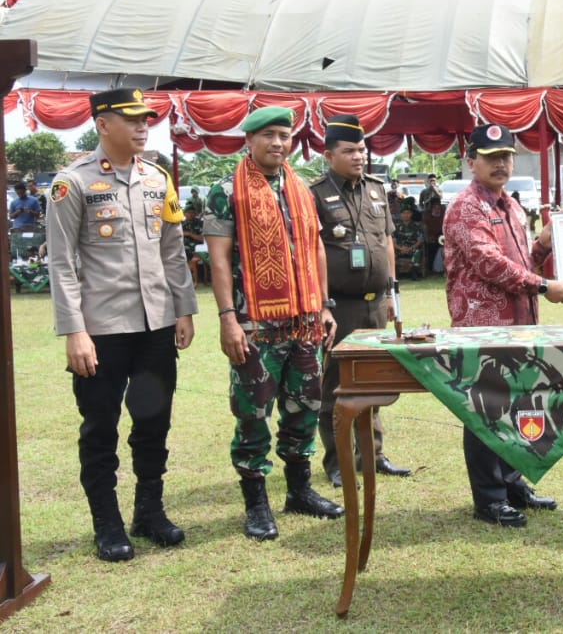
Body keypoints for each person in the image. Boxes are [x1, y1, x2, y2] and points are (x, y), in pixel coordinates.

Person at [47, 88, 197, 562]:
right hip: (102, 330)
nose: (141, 127)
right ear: (102, 124)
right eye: (130, 119)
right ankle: (107, 524)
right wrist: (74, 331)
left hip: (155, 325)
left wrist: (184, 309)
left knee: (153, 421)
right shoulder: (71, 183)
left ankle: (148, 512)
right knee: (101, 427)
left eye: (145, 119)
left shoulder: (158, 179)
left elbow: (173, 251)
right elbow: (62, 263)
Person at [204, 106, 344, 541]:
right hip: (255, 324)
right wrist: (229, 319)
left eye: (284, 135)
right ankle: (256, 503)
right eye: (268, 135)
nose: (278, 143)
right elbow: (219, 260)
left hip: (304, 321)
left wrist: (324, 305)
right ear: (249, 140)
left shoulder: (301, 188)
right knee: (253, 413)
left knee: (304, 408)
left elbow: (317, 249)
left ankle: (299, 491)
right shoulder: (225, 190)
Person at [442, 123, 563, 527]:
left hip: (519, 326)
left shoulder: (512, 206)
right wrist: (543, 286)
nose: (501, 164)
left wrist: (545, 243)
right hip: (484, 328)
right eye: (491, 157)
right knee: (486, 410)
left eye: (506, 156)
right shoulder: (466, 207)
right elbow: (489, 264)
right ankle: (489, 498)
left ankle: (513, 484)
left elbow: (521, 264)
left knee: (518, 404)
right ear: (471, 162)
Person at [309, 114, 412, 488]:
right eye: (349, 150)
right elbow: (312, 251)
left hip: (374, 303)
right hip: (340, 306)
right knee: (336, 385)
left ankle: (374, 453)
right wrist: (321, 304)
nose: (359, 156)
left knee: (372, 381)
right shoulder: (315, 193)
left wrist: (391, 292)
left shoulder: (375, 189)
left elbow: (386, 241)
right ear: (329, 155)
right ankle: (337, 460)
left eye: (362, 149)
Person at [394, 205, 426, 279]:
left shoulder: (416, 226)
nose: (406, 215)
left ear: (411, 214)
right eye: (404, 213)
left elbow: (420, 241)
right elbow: (392, 242)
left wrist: (410, 248)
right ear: (401, 214)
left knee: (418, 252)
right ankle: (395, 273)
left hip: (412, 248)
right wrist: (401, 249)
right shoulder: (396, 226)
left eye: (408, 213)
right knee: (391, 252)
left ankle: (414, 272)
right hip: (399, 249)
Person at [181, 204, 209, 285]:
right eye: (188, 212)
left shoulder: (200, 223)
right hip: (183, 249)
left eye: (192, 212)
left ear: (195, 213)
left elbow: (203, 238)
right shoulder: (181, 224)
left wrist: (190, 234)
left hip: (197, 249)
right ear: (184, 214)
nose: (190, 214)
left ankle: (195, 280)